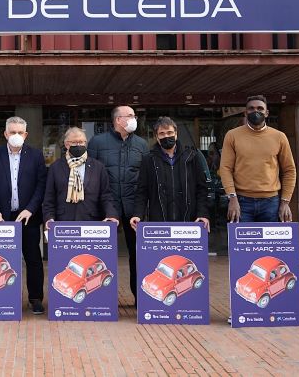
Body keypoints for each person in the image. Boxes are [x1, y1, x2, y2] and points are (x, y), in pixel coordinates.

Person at [0, 116, 47, 315]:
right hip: (0, 217)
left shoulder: (36, 156)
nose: (16, 135)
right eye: (12, 132)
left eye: (20, 132)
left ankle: (35, 298)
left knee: (33, 258)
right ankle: (1, 298)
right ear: (5, 134)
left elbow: (41, 185)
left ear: (25, 135)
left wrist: (31, 209)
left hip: (27, 216)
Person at [87, 105, 147, 301]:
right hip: (105, 208)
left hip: (133, 208)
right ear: (118, 120)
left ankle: (139, 297)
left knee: (137, 254)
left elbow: (145, 179)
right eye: (130, 116)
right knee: (100, 255)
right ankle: (101, 298)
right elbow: (90, 176)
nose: (134, 119)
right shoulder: (97, 142)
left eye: (134, 115)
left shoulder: (141, 144)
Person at [219, 95, 297, 223]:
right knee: (242, 237)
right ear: (245, 113)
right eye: (251, 108)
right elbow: (226, 168)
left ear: (266, 113)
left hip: (271, 203)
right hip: (241, 202)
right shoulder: (232, 136)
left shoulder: (279, 137)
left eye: (260, 109)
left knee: (270, 237)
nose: (256, 111)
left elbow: (289, 170)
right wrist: (232, 198)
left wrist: (285, 202)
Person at [130, 116, 210, 232]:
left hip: (189, 221)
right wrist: (138, 214)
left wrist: (202, 214)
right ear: (156, 137)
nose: (166, 136)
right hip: (159, 223)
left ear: (176, 134)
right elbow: (142, 191)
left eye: (170, 132)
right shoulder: (149, 160)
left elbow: (202, 189)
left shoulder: (192, 157)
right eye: (162, 133)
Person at [42, 127, 119, 227]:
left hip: (91, 221)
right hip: (63, 223)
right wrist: (49, 218)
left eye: (81, 142)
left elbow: (106, 196)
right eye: (74, 142)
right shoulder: (55, 167)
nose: (78, 145)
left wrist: (111, 215)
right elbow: (49, 197)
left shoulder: (98, 167)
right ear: (66, 144)